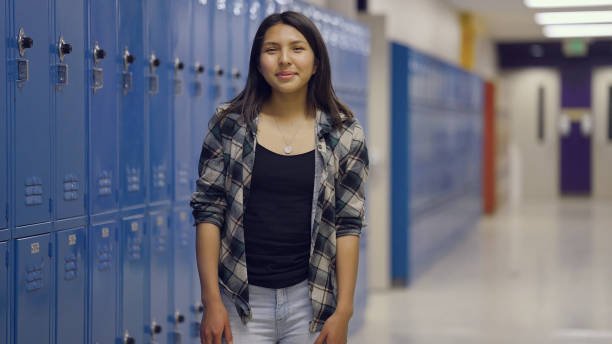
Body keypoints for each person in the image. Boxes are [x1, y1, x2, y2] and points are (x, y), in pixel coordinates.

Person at [190, 11, 369, 344]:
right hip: (241, 300)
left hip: (310, 301)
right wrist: (211, 301)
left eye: (297, 48)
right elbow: (208, 211)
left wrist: (344, 311)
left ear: (316, 62)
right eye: (272, 49)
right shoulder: (229, 126)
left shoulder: (345, 134)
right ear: (259, 63)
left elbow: (348, 224)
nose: (285, 60)